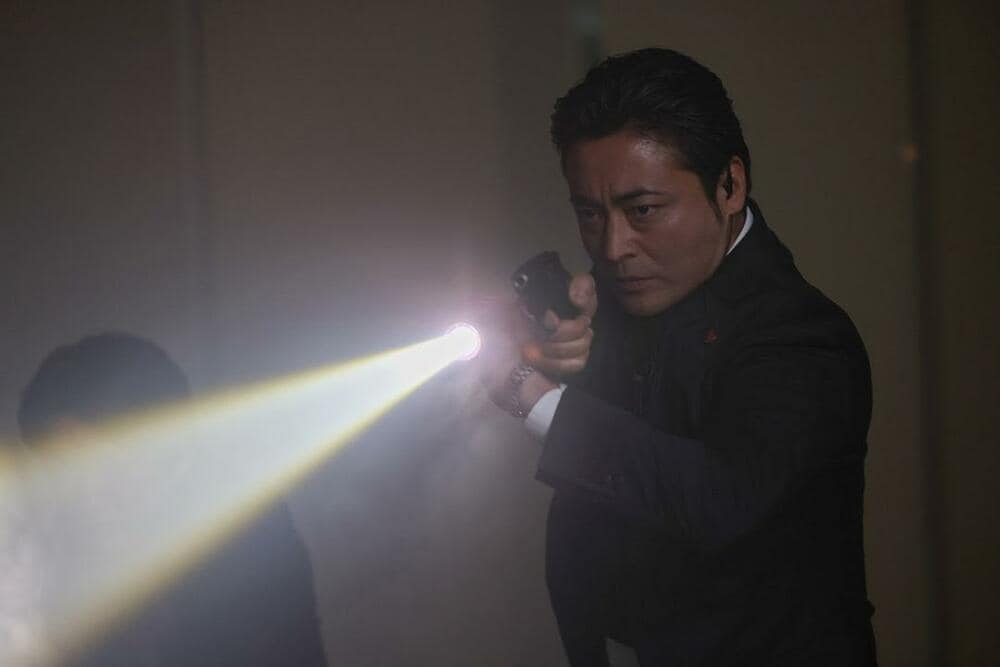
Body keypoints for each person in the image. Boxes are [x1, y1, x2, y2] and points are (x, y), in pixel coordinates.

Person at [483, 48, 877, 665]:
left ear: (730, 185)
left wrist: (531, 393)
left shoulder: (802, 335)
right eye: (590, 213)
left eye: (643, 210)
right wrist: (536, 332)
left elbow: (718, 500)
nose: (614, 247)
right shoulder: (614, 293)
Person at [13, 332, 329, 667]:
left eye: (96, 468)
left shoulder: (249, 542)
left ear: (171, 456)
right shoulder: (49, 556)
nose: (76, 495)